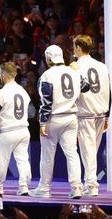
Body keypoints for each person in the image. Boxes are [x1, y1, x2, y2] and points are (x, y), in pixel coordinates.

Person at [29, 45, 89, 199]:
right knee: (72, 154)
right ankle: (76, 187)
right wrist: (77, 71)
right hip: (71, 118)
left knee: (47, 155)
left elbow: (46, 103)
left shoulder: (47, 76)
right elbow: (86, 87)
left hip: (53, 119)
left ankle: (44, 188)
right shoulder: (74, 73)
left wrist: (42, 123)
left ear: (49, 58)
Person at [0, 62, 32, 196]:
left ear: (3, 75)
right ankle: (24, 186)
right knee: (23, 159)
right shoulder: (23, 91)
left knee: (2, 161)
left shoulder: (2, 92)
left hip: (8, 131)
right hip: (23, 129)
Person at [72, 34, 110, 196]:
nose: (73, 50)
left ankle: (92, 185)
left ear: (79, 48)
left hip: (85, 113)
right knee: (91, 151)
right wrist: (108, 115)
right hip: (101, 113)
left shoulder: (75, 66)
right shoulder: (102, 66)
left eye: (74, 47)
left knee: (88, 151)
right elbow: (110, 91)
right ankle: (90, 181)